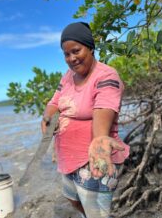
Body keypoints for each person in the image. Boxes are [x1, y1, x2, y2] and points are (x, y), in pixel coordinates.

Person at [41, 22, 130, 218]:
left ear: (90, 47)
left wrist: (99, 140)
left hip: (92, 160)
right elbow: (54, 101)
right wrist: (48, 117)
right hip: (68, 161)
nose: (71, 58)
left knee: (97, 213)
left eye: (76, 51)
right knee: (73, 199)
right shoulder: (68, 77)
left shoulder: (106, 76)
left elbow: (103, 110)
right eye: (66, 54)